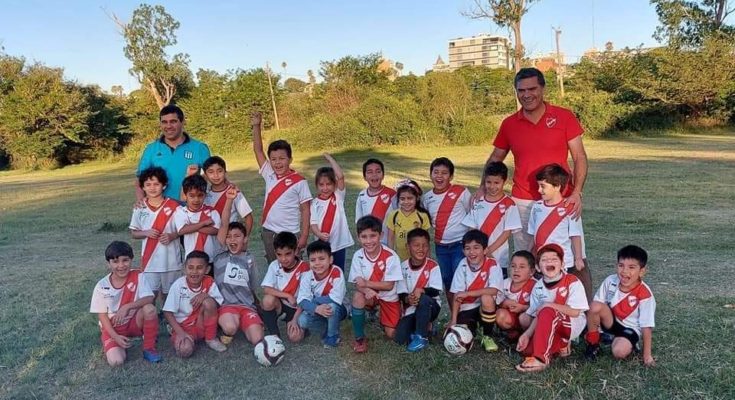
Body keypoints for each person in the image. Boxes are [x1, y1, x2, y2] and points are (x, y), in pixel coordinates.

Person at [483, 67, 588, 252]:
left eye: (532, 89)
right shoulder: (509, 124)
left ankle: (577, 283)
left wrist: (577, 192)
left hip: (561, 198)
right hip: (523, 201)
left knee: (572, 257)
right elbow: (495, 158)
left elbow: (579, 156)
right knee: (527, 259)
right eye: (521, 90)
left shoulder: (564, 117)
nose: (527, 95)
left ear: (543, 89)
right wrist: (482, 187)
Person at [515, 244, 588, 372]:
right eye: (544, 260)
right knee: (527, 351)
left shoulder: (572, 281)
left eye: (554, 259)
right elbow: (538, 315)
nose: (549, 261)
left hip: (572, 323)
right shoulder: (538, 287)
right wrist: (526, 334)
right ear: (538, 267)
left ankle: (542, 360)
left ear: (562, 264)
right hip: (549, 320)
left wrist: (548, 305)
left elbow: (575, 312)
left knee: (547, 311)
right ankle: (561, 343)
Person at [251, 112, 312, 262]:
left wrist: (304, 236)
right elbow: (258, 150)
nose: (277, 163)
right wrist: (256, 126)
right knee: (275, 269)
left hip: (291, 233)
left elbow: (306, 210)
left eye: (282, 159)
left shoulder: (299, 181)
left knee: (294, 270)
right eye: (273, 159)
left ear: (290, 159)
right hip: (269, 232)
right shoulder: (269, 173)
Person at [89, 241, 161, 366]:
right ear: (109, 264)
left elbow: (149, 298)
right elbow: (102, 316)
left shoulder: (138, 276)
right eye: (115, 262)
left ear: (131, 260)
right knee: (116, 361)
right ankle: (116, 342)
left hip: (134, 321)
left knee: (149, 309)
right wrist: (115, 337)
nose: (121, 265)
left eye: (125, 260)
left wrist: (127, 307)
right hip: (114, 327)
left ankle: (149, 348)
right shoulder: (102, 285)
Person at [527, 164, 592, 301]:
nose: (539, 190)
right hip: (542, 260)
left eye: (543, 186)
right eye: (538, 186)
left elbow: (575, 235)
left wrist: (578, 258)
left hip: (563, 262)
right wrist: (529, 257)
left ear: (557, 187)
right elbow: (533, 235)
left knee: (562, 294)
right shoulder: (536, 207)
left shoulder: (569, 208)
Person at [584, 245, 656, 366]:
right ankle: (593, 344)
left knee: (619, 352)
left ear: (642, 271)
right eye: (621, 265)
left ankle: (630, 345)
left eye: (631, 267)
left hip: (629, 329)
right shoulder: (610, 281)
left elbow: (646, 326)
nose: (625, 271)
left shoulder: (645, 294)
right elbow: (597, 304)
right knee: (594, 306)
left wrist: (647, 356)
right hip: (610, 321)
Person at [211, 187, 264, 348]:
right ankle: (228, 327)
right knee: (230, 327)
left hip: (247, 307)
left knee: (257, 339)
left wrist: (258, 306)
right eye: (228, 236)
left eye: (237, 236)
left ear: (244, 239)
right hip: (228, 306)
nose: (232, 239)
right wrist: (229, 200)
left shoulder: (249, 259)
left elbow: (252, 287)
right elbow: (224, 223)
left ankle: (247, 322)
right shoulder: (220, 254)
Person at [135, 104, 211, 205]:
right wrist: (141, 200)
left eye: (173, 121)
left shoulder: (199, 148)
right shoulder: (151, 149)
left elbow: (212, 174)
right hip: (160, 212)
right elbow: (140, 180)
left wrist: (199, 189)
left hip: (190, 211)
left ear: (183, 122)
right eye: (164, 122)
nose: (168, 126)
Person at [349, 216, 403, 353]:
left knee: (392, 335)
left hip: (389, 297)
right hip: (370, 295)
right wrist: (366, 289)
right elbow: (357, 284)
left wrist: (366, 283)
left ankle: (385, 315)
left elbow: (389, 285)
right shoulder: (358, 255)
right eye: (364, 237)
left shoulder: (391, 256)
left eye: (373, 236)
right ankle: (360, 337)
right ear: (358, 237)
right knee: (357, 297)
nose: (368, 241)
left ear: (381, 235)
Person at [422, 157, 471, 304]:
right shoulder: (427, 198)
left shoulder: (461, 192)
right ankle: (454, 318)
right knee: (448, 281)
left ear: (451, 176)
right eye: (436, 172)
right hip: (441, 247)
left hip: (459, 244)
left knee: (461, 281)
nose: (439, 176)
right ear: (430, 175)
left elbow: (472, 214)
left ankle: (466, 316)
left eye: (444, 173)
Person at [129, 167, 182, 302]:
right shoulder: (140, 208)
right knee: (149, 295)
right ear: (143, 187)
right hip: (150, 261)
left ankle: (166, 316)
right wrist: (145, 232)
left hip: (171, 260)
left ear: (164, 185)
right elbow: (134, 233)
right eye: (148, 184)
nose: (152, 188)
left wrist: (172, 236)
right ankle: (150, 319)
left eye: (156, 184)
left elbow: (183, 229)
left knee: (169, 294)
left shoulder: (175, 206)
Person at [448, 229, 504, 352]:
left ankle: (487, 336)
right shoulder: (462, 265)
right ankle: (472, 328)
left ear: (485, 250)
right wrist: (453, 321)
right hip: (467, 307)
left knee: (486, 297)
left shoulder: (493, 264)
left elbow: (493, 290)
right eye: (467, 248)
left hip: (486, 307)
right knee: (464, 334)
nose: (472, 252)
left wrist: (468, 293)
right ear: (463, 251)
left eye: (476, 247)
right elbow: (457, 295)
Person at [163, 251, 227, 357]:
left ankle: (210, 338)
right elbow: (167, 312)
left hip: (201, 324)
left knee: (209, 302)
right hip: (183, 326)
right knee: (185, 351)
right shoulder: (178, 285)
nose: (194, 271)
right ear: (184, 268)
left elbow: (218, 304)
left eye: (199, 268)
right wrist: (181, 333)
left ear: (207, 270)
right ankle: (183, 338)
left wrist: (205, 295)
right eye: (191, 267)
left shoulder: (209, 282)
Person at [462, 161, 522, 274]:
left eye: (496, 183)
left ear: (504, 182)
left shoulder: (509, 204)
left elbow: (507, 232)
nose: (492, 186)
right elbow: (472, 228)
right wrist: (477, 249)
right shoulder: (478, 201)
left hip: (499, 257)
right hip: (477, 256)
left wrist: (489, 250)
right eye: (488, 182)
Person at [394, 228, 442, 352]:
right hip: (411, 308)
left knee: (424, 299)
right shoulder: (403, 267)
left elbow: (436, 291)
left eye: (424, 245)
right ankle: (426, 328)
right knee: (399, 339)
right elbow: (401, 294)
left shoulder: (433, 266)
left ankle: (422, 337)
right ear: (408, 247)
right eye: (416, 245)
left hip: (431, 306)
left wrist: (422, 290)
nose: (421, 249)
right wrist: (408, 299)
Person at [295, 240, 348, 348]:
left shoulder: (336, 272)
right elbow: (302, 300)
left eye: (322, 259)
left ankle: (332, 336)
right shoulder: (307, 276)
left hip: (340, 308)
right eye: (313, 260)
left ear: (331, 259)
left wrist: (314, 304)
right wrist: (316, 308)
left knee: (331, 307)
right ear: (309, 262)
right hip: (319, 309)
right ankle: (327, 328)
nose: (317, 263)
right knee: (302, 321)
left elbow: (335, 298)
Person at [260, 232, 311, 341]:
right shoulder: (274, 265)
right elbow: (266, 288)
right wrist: (287, 295)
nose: (283, 259)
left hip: (298, 308)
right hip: (282, 305)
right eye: (279, 254)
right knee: (267, 300)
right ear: (275, 253)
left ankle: (302, 326)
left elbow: (306, 298)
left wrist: (294, 319)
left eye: (288, 254)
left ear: (296, 251)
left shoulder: (305, 269)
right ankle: (274, 336)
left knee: (295, 338)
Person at [310, 153, 354, 270]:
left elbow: (340, 177)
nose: (325, 188)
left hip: (338, 244)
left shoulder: (338, 197)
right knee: (322, 271)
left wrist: (330, 159)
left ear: (334, 185)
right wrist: (319, 234)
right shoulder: (314, 203)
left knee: (338, 271)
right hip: (321, 244)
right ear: (317, 185)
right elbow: (313, 224)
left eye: (328, 184)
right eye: (321, 185)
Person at [174, 175, 221, 262]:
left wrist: (191, 227)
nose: (196, 200)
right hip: (191, 258)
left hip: (210, 258)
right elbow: (182, 230)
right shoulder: (181, 211)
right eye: (192, 196)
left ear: (205, 195)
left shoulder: (212, 212)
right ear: (185, 196)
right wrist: (203, 223)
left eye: (200, 195)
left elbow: (215, 230)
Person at [202, 156, 254, 235]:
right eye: (211, 172)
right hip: (209, 241)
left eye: (219, 171)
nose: (216, 175)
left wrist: (245, 238)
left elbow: (248, 217)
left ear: (225, 172)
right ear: (205, 175)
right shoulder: (204, 194)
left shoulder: (234, 192)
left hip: (229, 240)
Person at [495, 251, 537, 340]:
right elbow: (497, 302)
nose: (516, 270)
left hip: (527, 318)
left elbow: (539, 308)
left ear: (532, 271)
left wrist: (523, 308)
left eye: (522, 267)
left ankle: (530, 336)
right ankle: (514, 332)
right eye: (513, 266)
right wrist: (504, 303)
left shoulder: (536, 286)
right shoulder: (505, 283)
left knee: (524, 318)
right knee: (500, 315)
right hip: (512, 317)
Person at [386, 179, 431, 261]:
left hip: (417, 258)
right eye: (402, 199)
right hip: (400, 258)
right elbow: (390, 238)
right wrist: (391, 257)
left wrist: (427, 259)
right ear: (398, 199)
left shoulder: (422, 216)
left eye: (410, 198)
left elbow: (426, 241)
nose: (406, 202)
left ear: (416, 198)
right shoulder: (393, 215)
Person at [355, 158, 397, 244]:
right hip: (370, 242)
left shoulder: (392, 194)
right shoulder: (361, 195)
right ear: (364, 177)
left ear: (383, 175)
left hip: (389, 242)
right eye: (370, 172)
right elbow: (359, 221)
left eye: (378, 171)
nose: (374, 175)